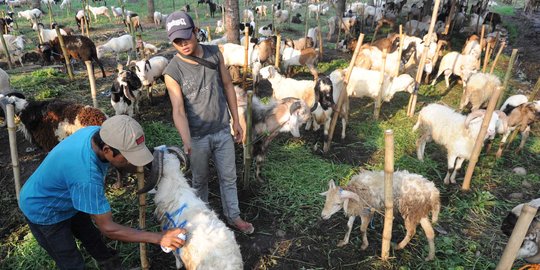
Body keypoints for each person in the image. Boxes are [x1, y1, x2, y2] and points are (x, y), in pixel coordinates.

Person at [19, 115, 186, 270]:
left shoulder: (95, 132)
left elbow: (120, 162)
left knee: (93, 239)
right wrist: (159, 238)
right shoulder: (87, 177)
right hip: (44, 209)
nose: (132, 162)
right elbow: (109, 228)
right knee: (70, 260)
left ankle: (110, 265)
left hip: (69, 196)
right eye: (128, 157)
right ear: (107, 150)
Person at [163, 11, 254, 234]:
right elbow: (178, 110)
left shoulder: (214, 54)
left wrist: (236, 121)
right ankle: (201, 220)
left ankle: (233, 216)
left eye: (186, 36)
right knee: (200, 180)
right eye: (177, 41)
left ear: (196, 31)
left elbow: (228, 85)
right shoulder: (172, 71)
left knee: (228, 176)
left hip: (222, 129)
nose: (183, 44)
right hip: (197, 136)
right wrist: (187, 141)